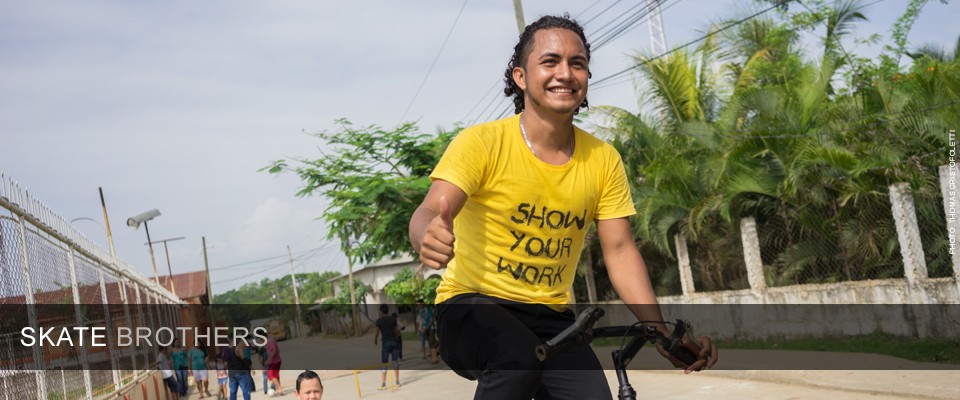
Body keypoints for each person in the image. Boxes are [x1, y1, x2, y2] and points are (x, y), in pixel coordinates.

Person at [408, 14, 718, 400]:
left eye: (578, 63)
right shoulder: (481, 143)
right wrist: (426, 235)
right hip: (471, 307)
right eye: (550, 61)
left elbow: (620, 251)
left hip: (552, 320)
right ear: (521, 77)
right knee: (517, 360)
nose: (565, 73)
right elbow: (427, 212)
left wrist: (659, 330)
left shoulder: (603, 160)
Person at [373, 304, 401, 390]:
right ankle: (397, 382)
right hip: (393, 342)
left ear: (381, 311)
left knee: (384, 362)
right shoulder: (392, 319)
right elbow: (396, 330)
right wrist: (396, 338)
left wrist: (375, 339)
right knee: (395, 361)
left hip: (385, 343)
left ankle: (383, 383)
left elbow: (377, 332)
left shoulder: (379, 321)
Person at [416, 298, 439, 363]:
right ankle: (434, 353)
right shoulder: (420, 311)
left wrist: (427, 327)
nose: (418, 306)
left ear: (422, 303)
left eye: (419, 304)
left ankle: (434, 358)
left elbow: (431, 319)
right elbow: (422, 321)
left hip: (431, 328)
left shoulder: (428, 309)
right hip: (425, 329)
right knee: (430, 342)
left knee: (431, 343)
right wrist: (421, 329)